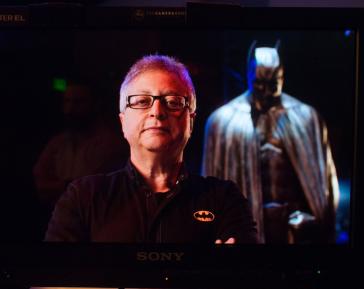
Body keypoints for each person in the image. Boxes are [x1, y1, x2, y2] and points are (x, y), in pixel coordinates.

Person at [45, 55, 258, 243]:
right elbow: (55, 282)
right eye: (141, 101)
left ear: (191, 122)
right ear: (122, 121)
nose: (157, 111)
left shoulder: (225, 199)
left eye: (173, 102)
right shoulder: (83, 198)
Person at [202, 45, 339, 244]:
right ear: (249, 76)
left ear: (282, 77)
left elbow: (324, 182)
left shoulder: (307, 118)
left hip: (296, 232)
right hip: (244, 232)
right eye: (259, 84)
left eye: (273, 84)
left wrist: (317, 219)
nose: (266, 92)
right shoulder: (222, 122)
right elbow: (210, 188)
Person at [33, 80, 129, 210]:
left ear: (96, 104)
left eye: (78, 102)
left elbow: (93, 189)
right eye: (67, 101)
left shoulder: (112, 144)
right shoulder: (58, 142)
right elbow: (40, 183)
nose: (70, 109)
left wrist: (60, 187)